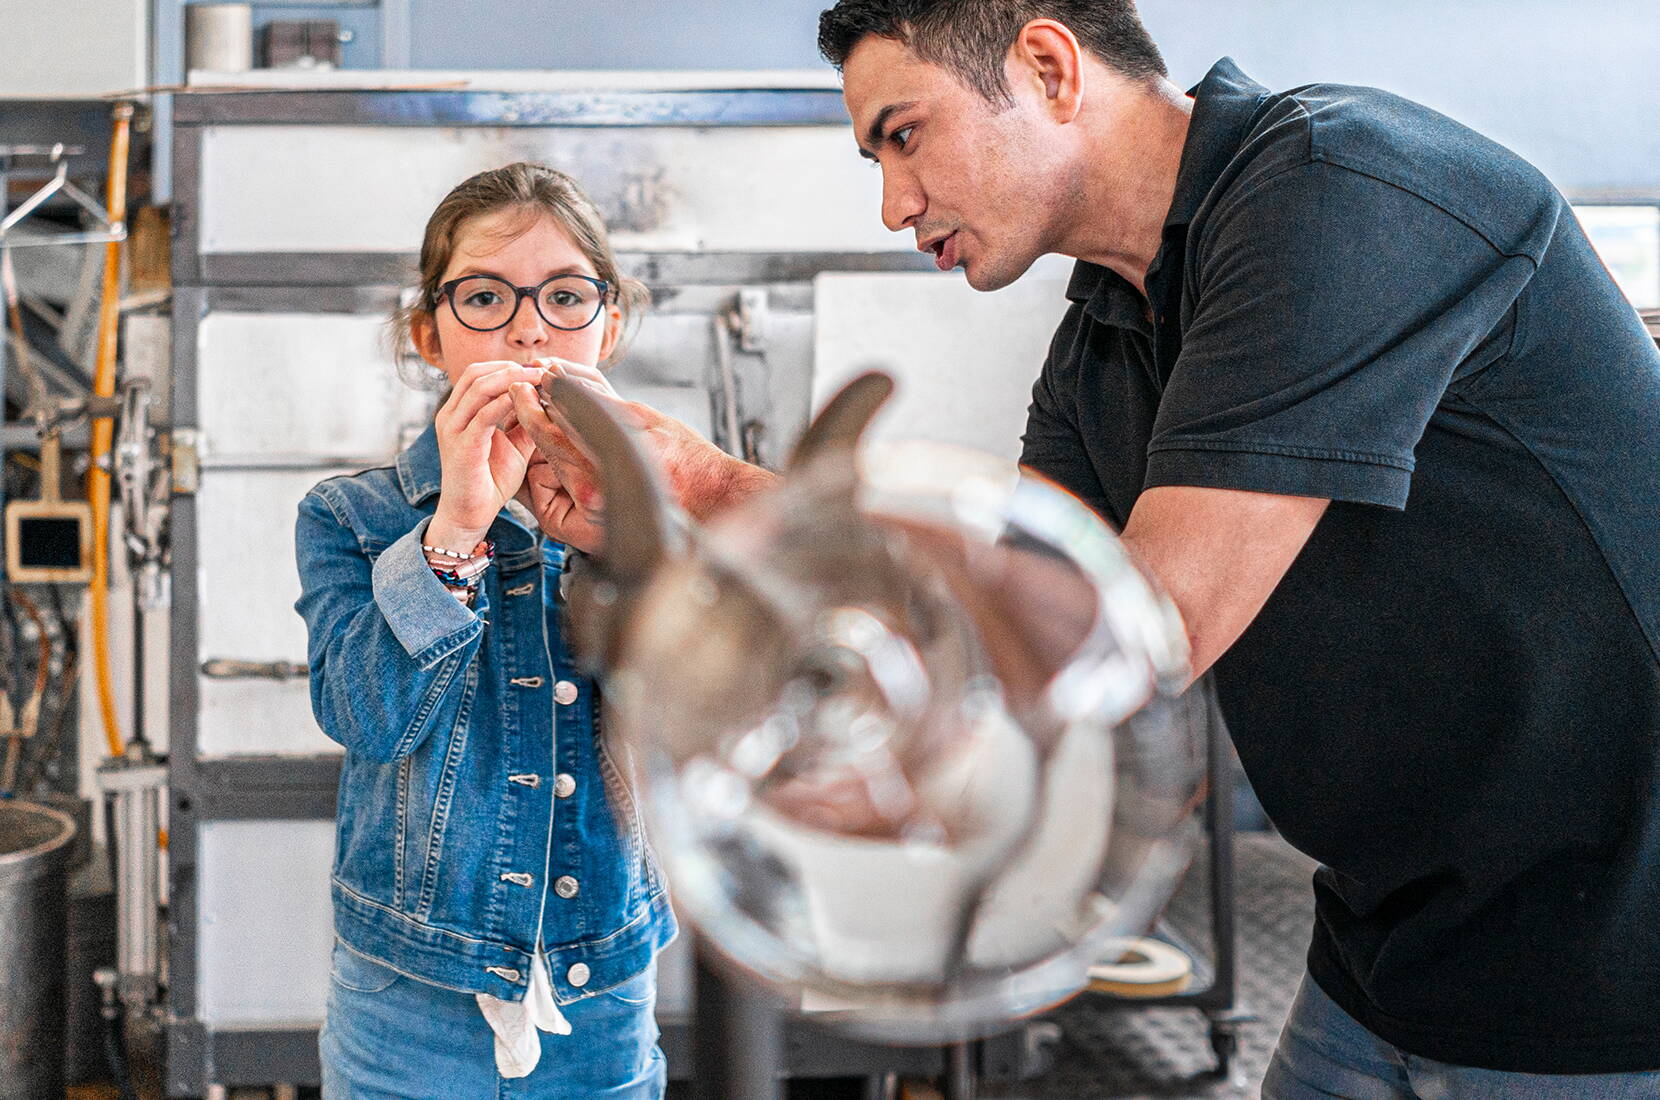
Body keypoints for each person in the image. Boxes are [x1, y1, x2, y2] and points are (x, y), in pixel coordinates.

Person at [519, 2, 1660, 1096]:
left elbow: (1139, 628)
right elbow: (1007, 603)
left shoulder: (1335, 192)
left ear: (1050, 69)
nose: (891, 202)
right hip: (1393, 930)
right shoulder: (1104, 333)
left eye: (902, 136)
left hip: (1603, 941)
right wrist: (706, 497)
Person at [294, 162, 677, 1099]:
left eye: (564, 295)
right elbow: (367, 717)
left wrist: (629, 539)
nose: (527, 326)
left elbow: (706, 729)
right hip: (407, 999)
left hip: (604, 991)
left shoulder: (665, 509)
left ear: (610, 322)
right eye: (483, 297)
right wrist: (455, 532)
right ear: (428, 334)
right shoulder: (350, 515)